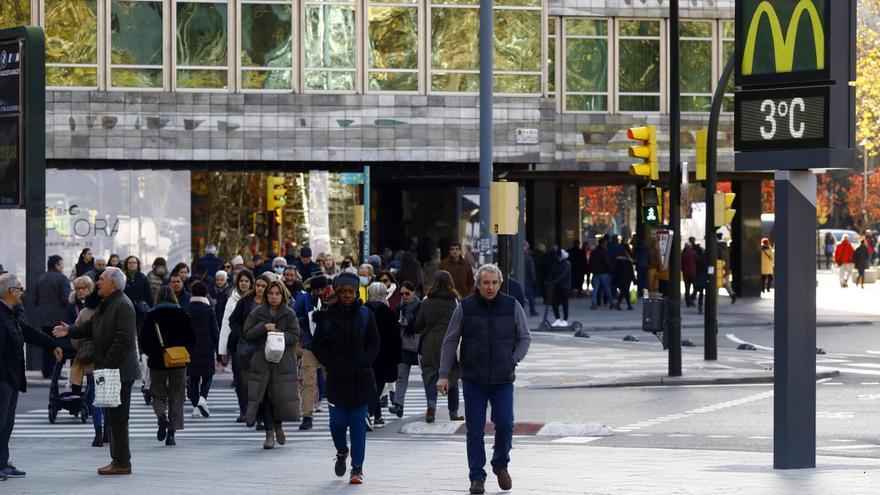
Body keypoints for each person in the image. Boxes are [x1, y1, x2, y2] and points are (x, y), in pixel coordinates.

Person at [437, 264, 531, 495]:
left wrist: (512, 360)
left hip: (503, 378)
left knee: (506, 424)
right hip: (473, 379)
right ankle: (477, 477)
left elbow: (525, 338)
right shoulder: (465, 307)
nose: (490, 287)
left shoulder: (512, 306)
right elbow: (450, 340)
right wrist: (443, 375)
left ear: (500, 284)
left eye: (494, 283)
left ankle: (500, 464)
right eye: (486, 283)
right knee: (475, 430)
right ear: (477, 285)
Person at [53, 267, 141, 475]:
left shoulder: (122, 304)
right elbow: (91, 327)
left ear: (113, 283)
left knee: (118, 418)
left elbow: (123, 340)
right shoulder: (107, 303)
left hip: (115, 372)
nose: (98, 282)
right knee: (110, 417)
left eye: (101, 279)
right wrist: (70, 330)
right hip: (107, 370)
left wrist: (106, 365)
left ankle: (122, 462)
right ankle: (117, 459)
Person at [311, 272, 380, 484]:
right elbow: (318, 346)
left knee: (358, 425)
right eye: (344, 292)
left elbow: (375, 344)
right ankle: (342, 451)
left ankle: (357, 468)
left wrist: (363, 361)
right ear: (337, 293)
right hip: (337, 378)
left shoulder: (366, 315)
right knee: (337, 424)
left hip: (361, 379)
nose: (348, 295)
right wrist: (333, 364)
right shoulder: (327, 317)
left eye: (351, 291)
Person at [1, 273, 62, 480]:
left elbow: (26, 331)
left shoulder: (12, 313)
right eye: (20, 288)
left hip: (11, 377)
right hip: (3, 378)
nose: (23, 292)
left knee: (7, 423)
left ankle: (2, 462)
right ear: (11, 292)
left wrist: (52, 344)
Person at [243, 280, 301, 449]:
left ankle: (278, 426)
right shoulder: (256, 313)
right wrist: (263, 328)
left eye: (277, 294)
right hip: (262, 361)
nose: (274, 297)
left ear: (282, 295)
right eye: (271, 293)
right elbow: (247, 334)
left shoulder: (289, 314)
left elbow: (295, 335)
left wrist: (278, 335)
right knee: (265, 398)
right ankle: (269, 434)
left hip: (283, 361)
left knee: (280, 397)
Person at [137, 286, 193, 447]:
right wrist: (186, 352)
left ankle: (162, 416)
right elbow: (191, 338)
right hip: (179, 361)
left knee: (158, 394)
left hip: (157, 361)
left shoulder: (151, 315)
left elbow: (144, 340)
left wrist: (152, 353)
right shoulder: (182, 314)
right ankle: (172, 434)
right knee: (177, 396)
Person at [416, 270, 462, 423]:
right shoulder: (454, 302)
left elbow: (419, 323)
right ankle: (453, 412)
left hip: (429, 342)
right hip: (448, 341)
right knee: (452, 374)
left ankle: (431, 407)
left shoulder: (426, 301)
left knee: (430, 374)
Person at [66, 277, 107, 447]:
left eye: (83, 288)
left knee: (96, 397)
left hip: (89, 359)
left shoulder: (84, 312)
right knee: (106, 396)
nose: (81, 291)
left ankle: (98, 431)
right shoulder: (106, 308)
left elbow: (74, 336)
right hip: (106, 357)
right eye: (78, 288)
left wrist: (81, 349)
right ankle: (108, 431)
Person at [218, 269, 256, 422]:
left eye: (247, 281)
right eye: (241, 281)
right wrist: (223, 351)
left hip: (253, 344)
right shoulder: (232, 299)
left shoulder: (256, 298)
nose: (244, 283)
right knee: (239, 379)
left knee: (253, 379)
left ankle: (253, 410)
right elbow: (226, 325)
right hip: (237, 345)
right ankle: (243, 410)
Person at [294, 274, 330, 431]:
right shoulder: (305, 299)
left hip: (329, 347)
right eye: (317, 289)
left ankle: (339, 413)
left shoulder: (333, 299)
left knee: (335, 382)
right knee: (308, 383)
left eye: (323, 289)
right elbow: (296, 318)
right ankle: (307, 416)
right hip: (310, 346)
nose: (320, 292)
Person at [364, 282, 401, 428]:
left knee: (371, 385)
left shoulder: (363, 310)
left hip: (366, 354)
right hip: (384, 355)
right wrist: (397, 358)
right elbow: (395, 337)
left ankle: (377, 416)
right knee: (378, 386)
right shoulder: (387, 312)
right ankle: (368, 413)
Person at [34, 255, 71, 378]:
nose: (63, 266)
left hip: (44, 317)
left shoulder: (41, 278)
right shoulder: (63, 279)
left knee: (46, 344)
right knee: (57, 345)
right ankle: (55, 372)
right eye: (62, 264)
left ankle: (46, 371)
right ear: (56, 265)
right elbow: (66, 300)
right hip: (59, 318)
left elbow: (35, 299)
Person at [389, 281, 421, 418]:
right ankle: (399, 405)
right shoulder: (399, 308)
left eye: (407, 293)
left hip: (419, 345)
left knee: (428, 378)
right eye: (401, 294)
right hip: (403, 346)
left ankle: (432, 406)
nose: (404, 296)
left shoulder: (420, 306)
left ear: (413, 292)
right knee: (401, 376)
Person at [186, 282, 219, 418]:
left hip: (191, 349)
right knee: (207, 376)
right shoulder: (209, 310)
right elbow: (214, 331)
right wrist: (219, 352)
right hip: (207, 347)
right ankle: (202, 399)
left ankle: (195, 408)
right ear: (205, 294)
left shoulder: (187, 309)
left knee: (193, 379)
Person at [123, 256, 153, 327]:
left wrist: (151, 308)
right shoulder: (123, 277)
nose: (132, 264)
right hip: (127, 310)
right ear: (126, 264)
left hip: (141, 311)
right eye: (130, 263)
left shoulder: (142, 277)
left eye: (134, 262)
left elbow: (148, 294)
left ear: (137, 264)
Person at [548, 249, 571, 326]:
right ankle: (557, 319)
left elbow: (563, 275)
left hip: (564, 287)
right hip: (557, 286)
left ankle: (565, 320)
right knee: (554, 303)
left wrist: (555, 281)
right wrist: (549, 280)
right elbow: (553, 273)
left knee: (565, 304)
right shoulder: (557, 263)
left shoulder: (567, 264)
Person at [589, 238, 613, 310]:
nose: (607, 243)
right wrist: (610, 270)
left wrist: (592, 270)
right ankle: (611, 303)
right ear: (602, 243)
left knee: (595, 289)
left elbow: (590, 262)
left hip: (596, 273)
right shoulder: (604, 252)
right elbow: (607, 262)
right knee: (607, 288)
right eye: (605, 242)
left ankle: (594, 303)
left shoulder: (594, 252)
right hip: (604, 272)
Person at [612, 244, 636, 310]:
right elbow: (631, 271)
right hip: (627, 279)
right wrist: (634, 280)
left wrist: (614, 279)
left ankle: (626, 305)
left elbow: (614, 271)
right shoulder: (628, 261)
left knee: (624, 291)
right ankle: (623, 304)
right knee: (625, 291)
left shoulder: (617, 261)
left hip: (619, 279)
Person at [522, 242, 539, 316]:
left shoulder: (518, 257)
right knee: (530, 296)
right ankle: (532, 310)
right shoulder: (528, 258)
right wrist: (534, 279)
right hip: (528, 280)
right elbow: (532, 270)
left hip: (523, 279)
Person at [681, 238, 697, 307]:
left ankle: (688, 302)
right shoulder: (694, 253)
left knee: (687, 288)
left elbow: (681, 263)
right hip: (693, 272)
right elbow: (698, 261)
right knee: (695, 287)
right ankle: (692, 298)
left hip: (685, 273)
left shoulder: (683, 253)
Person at [693, 244, 708, 314]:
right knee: (703, 294)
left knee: (700, 294)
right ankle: (701, 306)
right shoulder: (705, 258)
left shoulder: (696, 259)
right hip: (704, 278)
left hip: (698, 278)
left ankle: (700, 306)